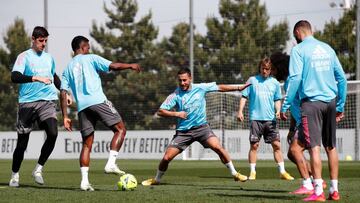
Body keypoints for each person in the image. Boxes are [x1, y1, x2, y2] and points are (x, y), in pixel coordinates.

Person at [141, 68, 250, 186]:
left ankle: (234, 174)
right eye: (180, 81)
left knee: (218, 147)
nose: (182, 83)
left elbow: (220, 87)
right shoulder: (176, 94)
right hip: (184, 132)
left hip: (202, 128)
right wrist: (176, 113)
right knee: (167, 158)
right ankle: (156, 180)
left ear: (190, 78)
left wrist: (239, 88)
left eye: (184, 80)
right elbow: (160, 111)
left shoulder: (201, 88)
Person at [60, 36, 141, 191]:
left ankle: (84, 182)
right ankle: (111, 163)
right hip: (97, 101)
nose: (89, 49)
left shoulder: (67, 68)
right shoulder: (91, 58)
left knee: (86, 145)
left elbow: (63, 93)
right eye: (88, 47)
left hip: (82, 108)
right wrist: (130, 65)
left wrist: (65, 116)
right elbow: (114, 66)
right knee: (120, 129)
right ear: (83, 47)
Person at [280, 20, 347, 201]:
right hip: (331, 102)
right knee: (331, 147)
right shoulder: (327, 49)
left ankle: (318, 192)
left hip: (311, 104)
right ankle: (334, 190)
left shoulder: (299, 50)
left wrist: (285, 105)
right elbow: (342, 79)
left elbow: (294, 79)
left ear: (297, 32)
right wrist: (340, 105)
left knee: (314, 148)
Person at [9, 26, 70, 187]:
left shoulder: (49, 58)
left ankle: (38, 169)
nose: (44, 44)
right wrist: (35, 78)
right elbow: (14, 77)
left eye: (46, 41)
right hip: (27, 104)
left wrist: (64, 92)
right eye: (41, 41)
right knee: (22, 144)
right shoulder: (24, 57)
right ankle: (15, 175)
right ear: (33, 39)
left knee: (53, 132)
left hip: (47, 102)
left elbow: (54, 76)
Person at [271, 52, 324, 195]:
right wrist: (292, 129)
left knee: (295, 151)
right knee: (291, 153)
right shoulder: (289, 81)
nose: (272, 72)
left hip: (308, 120)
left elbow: (304, 103)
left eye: (274, 69)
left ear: (280, 67)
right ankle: (316, 180)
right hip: (302, 122)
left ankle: (308, 184)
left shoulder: (293, 81)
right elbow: (295, 108)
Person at [237, 57, 294, 181]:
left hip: (270, 120)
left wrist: (278, 110)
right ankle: (252, 172)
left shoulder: (274, 83)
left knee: (277, 145)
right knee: (254, 146)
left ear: (270, 70)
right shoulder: (252, 80)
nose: (265, 71)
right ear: (260, 68)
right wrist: (240, 111)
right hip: (255, 119)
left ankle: (282, 172)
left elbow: (277, 99)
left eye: (267, 69)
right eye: (263, 68)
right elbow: (244, 96)